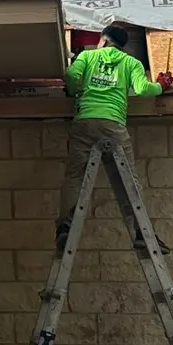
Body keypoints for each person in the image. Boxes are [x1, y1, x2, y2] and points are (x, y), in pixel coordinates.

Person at [57, 24, 163, 249]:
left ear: (103, 39)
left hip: (84, 121)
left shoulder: (87, 56)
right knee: (129, 179)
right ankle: (140, 232)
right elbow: (144, 89)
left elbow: (69, 76)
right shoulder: (131, 63)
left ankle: (64, 227)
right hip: (113, 123)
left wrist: (77, 91)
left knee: (75, 176)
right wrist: (160, 86)